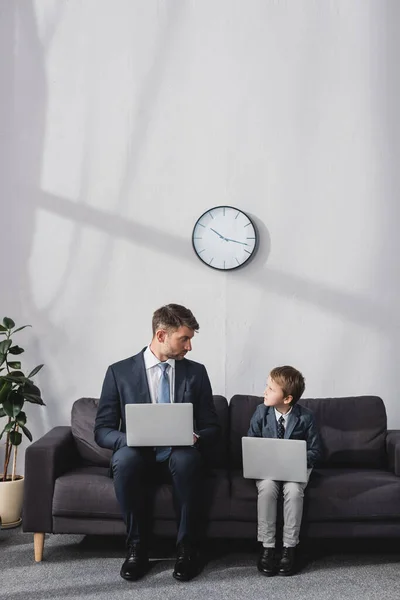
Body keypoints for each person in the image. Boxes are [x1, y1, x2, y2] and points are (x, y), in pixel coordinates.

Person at [94, 304, 220, 582]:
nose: (189, 347)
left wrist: (197, 436)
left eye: (190, 340)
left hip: (178, 455)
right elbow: (102, 430)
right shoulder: (119, 372)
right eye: (184, 339)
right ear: (161, 335)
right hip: (138, 457)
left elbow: (212, 425)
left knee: (187, 458)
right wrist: (131, 440)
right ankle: (137, 547)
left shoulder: (196, 373)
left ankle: (187, 548)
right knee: (124, 459)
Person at [248, 366, 321, 576]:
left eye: (270, 389)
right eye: (266, 386)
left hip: (295, 469)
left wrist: (296, 457)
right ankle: (267, 546)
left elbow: (316, 451)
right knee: (268, 488)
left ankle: (290, 547)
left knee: (293, 491)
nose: (265, 392)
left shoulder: (306, 417)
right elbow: (251, 442)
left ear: (287, 398)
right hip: (267, 468)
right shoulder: (260, 412)